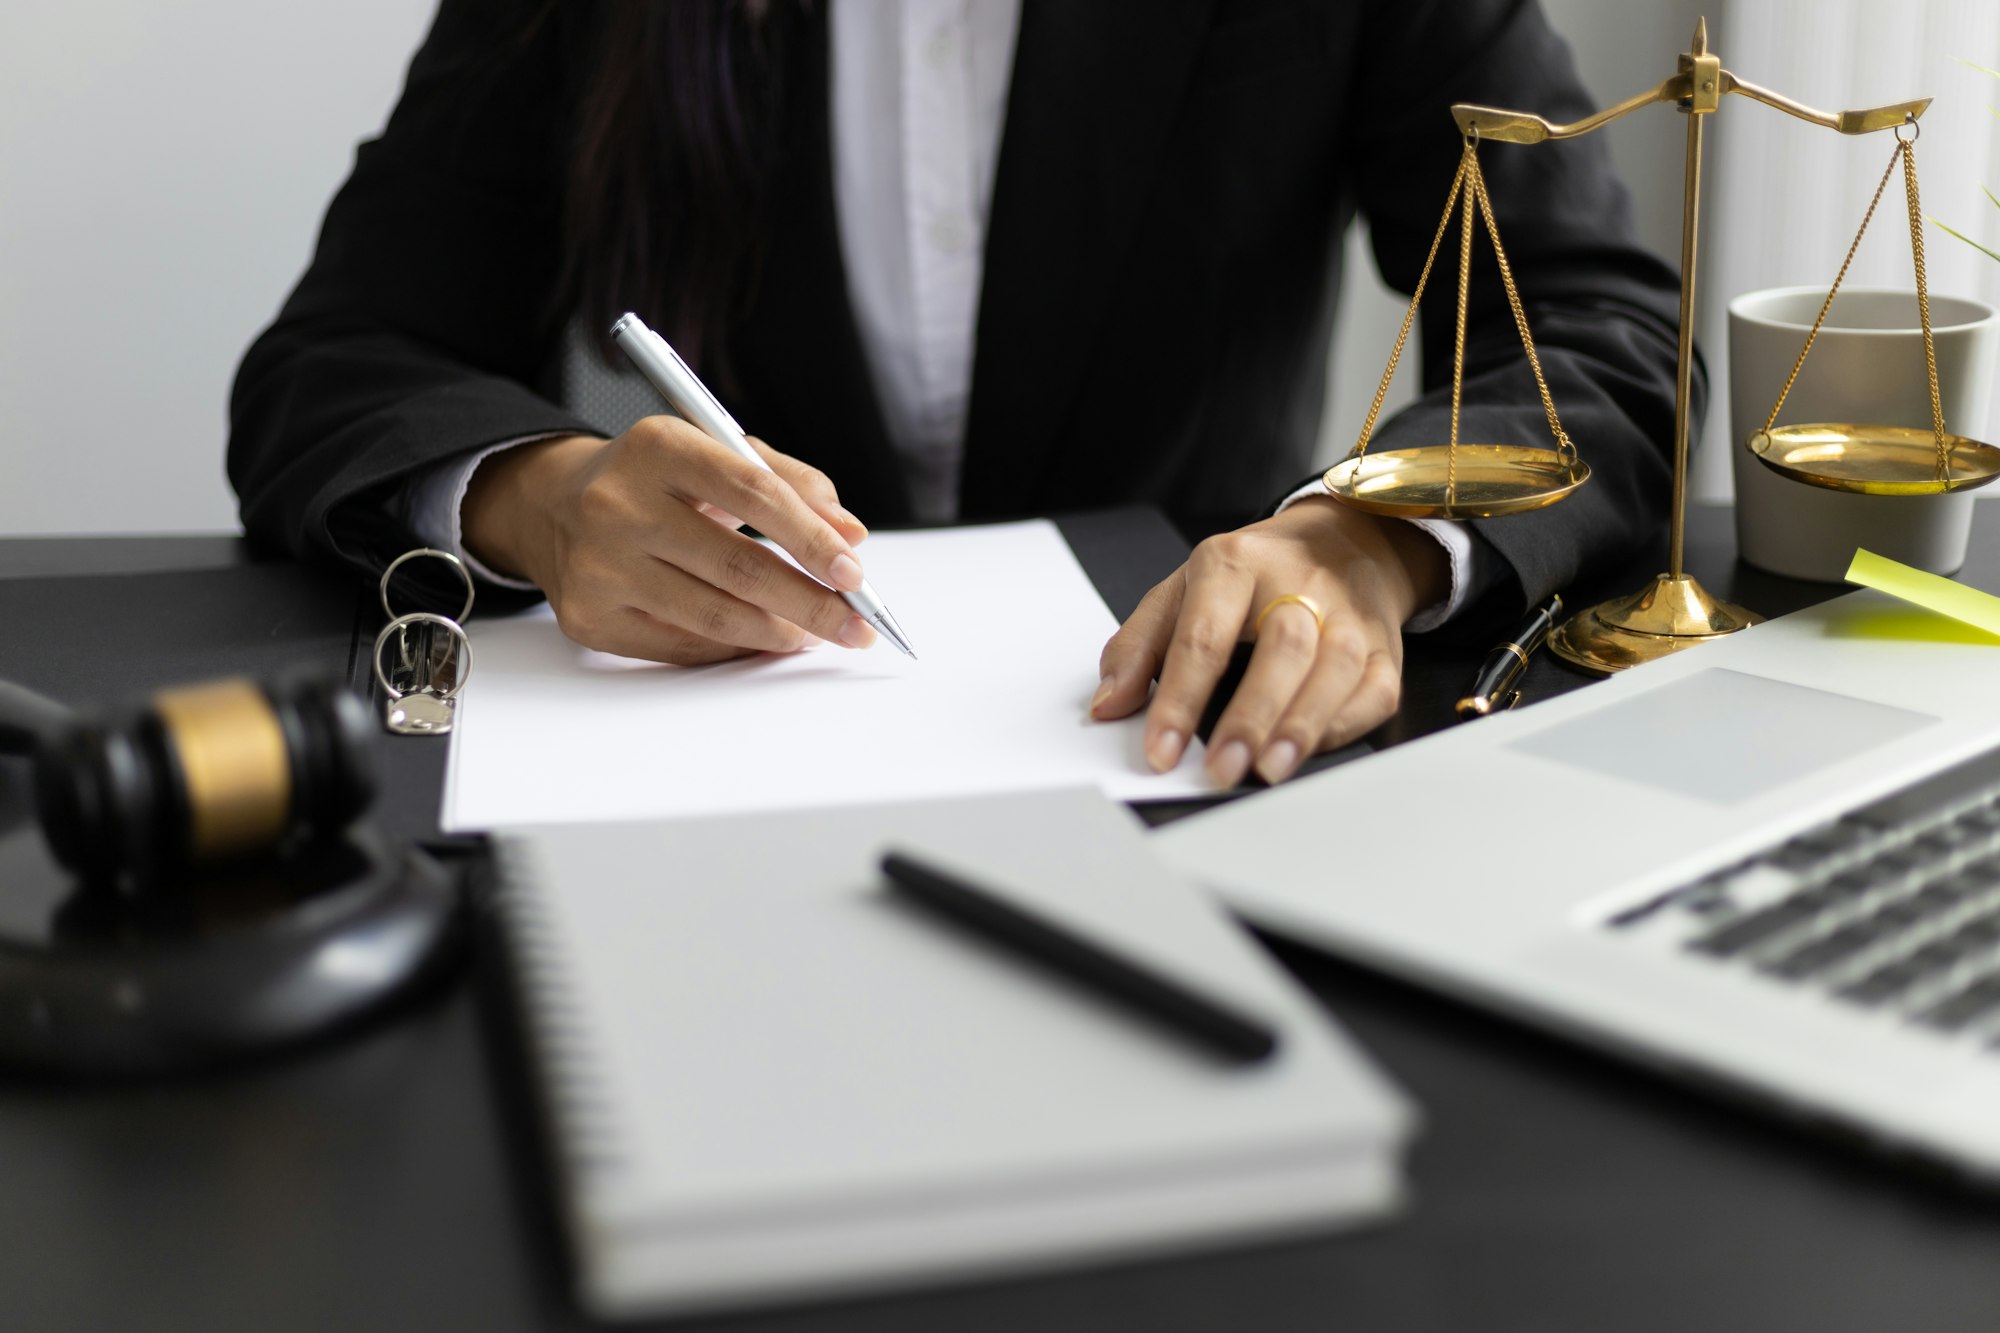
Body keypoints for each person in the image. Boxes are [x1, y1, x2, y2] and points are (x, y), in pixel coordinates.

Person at [229, 0, 1690, 788]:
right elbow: (337, 361)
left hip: (1188, 757)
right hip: (710, 795)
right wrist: (542, 500)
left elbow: (1600, 320)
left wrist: (1362, 542)